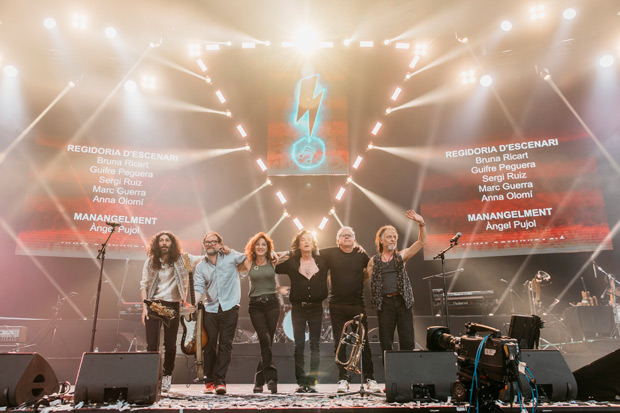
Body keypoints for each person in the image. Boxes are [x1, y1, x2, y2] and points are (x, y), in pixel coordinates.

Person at [320, 226, 381, 393]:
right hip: (336, 305)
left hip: (357, 304)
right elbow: (310, 251)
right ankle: (343, 379)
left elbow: (370, 268)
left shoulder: (361, 254)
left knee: (364, 342)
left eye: (350, 235)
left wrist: (360, 280)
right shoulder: (330, 253)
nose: (346, 237)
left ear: (354, 239)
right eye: (343, 235)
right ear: (337, 240)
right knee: (339, 343)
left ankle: (370, 378)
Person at [140, 231, 198, 392]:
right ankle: (152, 375)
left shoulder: (182, 259)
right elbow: (143, 285)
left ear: (172, 243)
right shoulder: (150, 261)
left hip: (172, 305)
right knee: (152, 344)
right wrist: (145, 307)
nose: (164, 243)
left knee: (170, 345)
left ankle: (167, 376)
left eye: (167, 240)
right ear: (157, 244)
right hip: (153, 304)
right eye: (161, 241)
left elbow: (201, 259)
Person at [367, 210, 426, 361]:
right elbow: (363, 278)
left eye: (394, 237)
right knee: (386, 342)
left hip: (402, 302)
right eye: (389, 237)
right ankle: (390, 379)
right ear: (381, 240)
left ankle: (407, 379)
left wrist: (421, 224)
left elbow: (421, 242)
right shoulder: (374, 261)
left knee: (407, 340)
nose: (392, 239)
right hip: (384, 304)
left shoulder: (402, 255)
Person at [194, 231, 246, 395]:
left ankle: (220, 381)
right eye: (207, 242)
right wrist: (193, 303)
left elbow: (248, 258)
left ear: (220, 244)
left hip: (230, 308)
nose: (210, 244)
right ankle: (209, 381)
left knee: (225, 345)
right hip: (210, 309)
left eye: (213, 242)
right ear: (204, 245)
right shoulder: (201, 266)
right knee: (209, 346)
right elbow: (197, 288)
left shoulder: (231, 256)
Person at [275, 230, 328, 393]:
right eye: (303, 240)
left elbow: (341, 256)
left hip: (316, 308)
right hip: (298, 308)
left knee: (315, 345)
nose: (306, 242)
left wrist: (357, 248)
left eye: (309, 240)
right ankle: (301, 380)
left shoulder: (323, 260)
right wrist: (289, 253)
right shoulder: (292, 262)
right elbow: (274, 264)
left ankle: (312, 381)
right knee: (299, 345)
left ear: (313, 243)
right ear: (298, 244)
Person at [239, 232, 280, 394]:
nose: (261, 247)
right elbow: (235, 261)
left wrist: (274, 253)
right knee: (265, 339)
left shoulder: (273, 261)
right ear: (253, 247)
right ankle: (272, 378)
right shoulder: (249, 262)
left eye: (264, 244)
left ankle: (259, 381)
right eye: (258, 244)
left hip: (272, 304)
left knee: (267, 343)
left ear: (268, 247)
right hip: (256, 305)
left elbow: (286, 254)